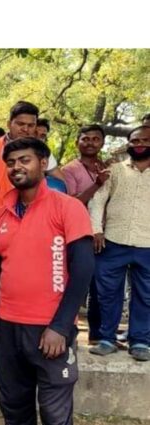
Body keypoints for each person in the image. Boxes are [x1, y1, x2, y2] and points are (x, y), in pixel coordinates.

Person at [0, 137, 93, 425]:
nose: (16, 167)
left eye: (24, 160)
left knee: (55, 419)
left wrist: (61, 327)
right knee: (15, 415)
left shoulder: (68, 207)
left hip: (50, 330)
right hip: (7, 329)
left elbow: (82, 270)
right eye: (11, 163)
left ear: (43, 163)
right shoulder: (1, 213)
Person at [88, 126, 150, 361]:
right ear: (129, 143)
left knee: (146, 295)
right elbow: (97, 201)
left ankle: (141, 342)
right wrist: (96, 230)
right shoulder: (114, 170)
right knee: (108, 294)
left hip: (147, 243)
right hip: (113, 242)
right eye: (134, 140)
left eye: (145, 140)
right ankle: (107, 338)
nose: (139, 144)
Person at [0, 101, 63, 223]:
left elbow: (61, 183)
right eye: (20, 124)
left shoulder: (42, 151)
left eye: (31, 125)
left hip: (39, 218)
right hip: (1, 220)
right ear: (9, 124)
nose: (25, 129)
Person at [62, 125, 108, 342]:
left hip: (106, 233)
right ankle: (67, 331)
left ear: (103, 143)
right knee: (78, 283)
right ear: (76, 142)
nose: (90, 143)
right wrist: (97, 185)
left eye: (95, 139)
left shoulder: (108, 167)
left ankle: (98, 334)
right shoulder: (69, 170)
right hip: (79, 234)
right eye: (85, 139)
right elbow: (71, 203)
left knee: (102, 286)